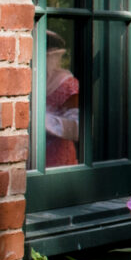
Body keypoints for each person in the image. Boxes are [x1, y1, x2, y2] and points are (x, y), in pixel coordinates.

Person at [43, 30, 80, 168]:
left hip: (58, 162)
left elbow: (78, 127)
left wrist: (41, 121)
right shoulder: (28, 81)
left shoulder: (67, 85)